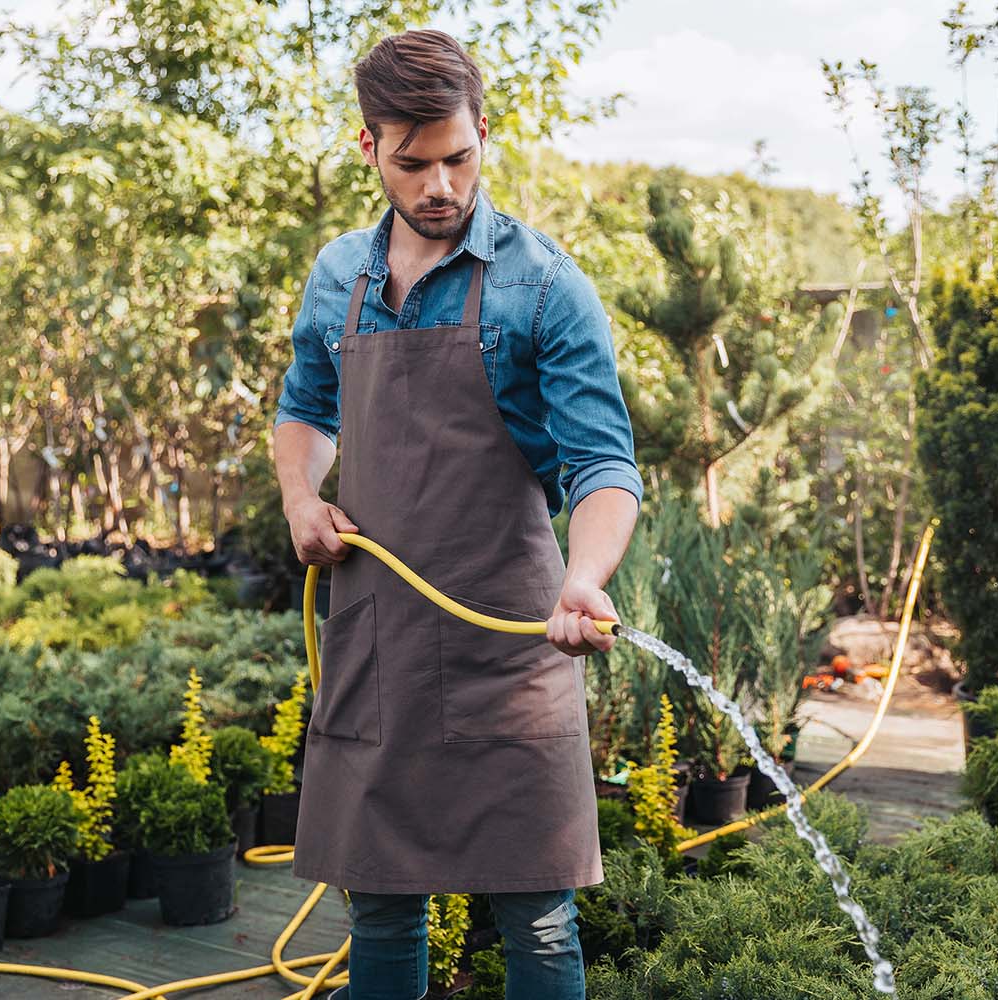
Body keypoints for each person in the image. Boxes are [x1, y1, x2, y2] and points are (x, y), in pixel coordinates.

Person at [271, 27, 641, 1000]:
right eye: (413, 162)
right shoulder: (338, 276)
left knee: (541, 922)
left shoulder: (542, 285)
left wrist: (585, 575)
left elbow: (604, 464)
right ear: (370, 150)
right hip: (378, 642)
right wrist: (303, 494)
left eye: (459, 158)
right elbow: (304, 409)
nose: (440, 184)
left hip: (514, 650)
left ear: (485, 133)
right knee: (384, 908)